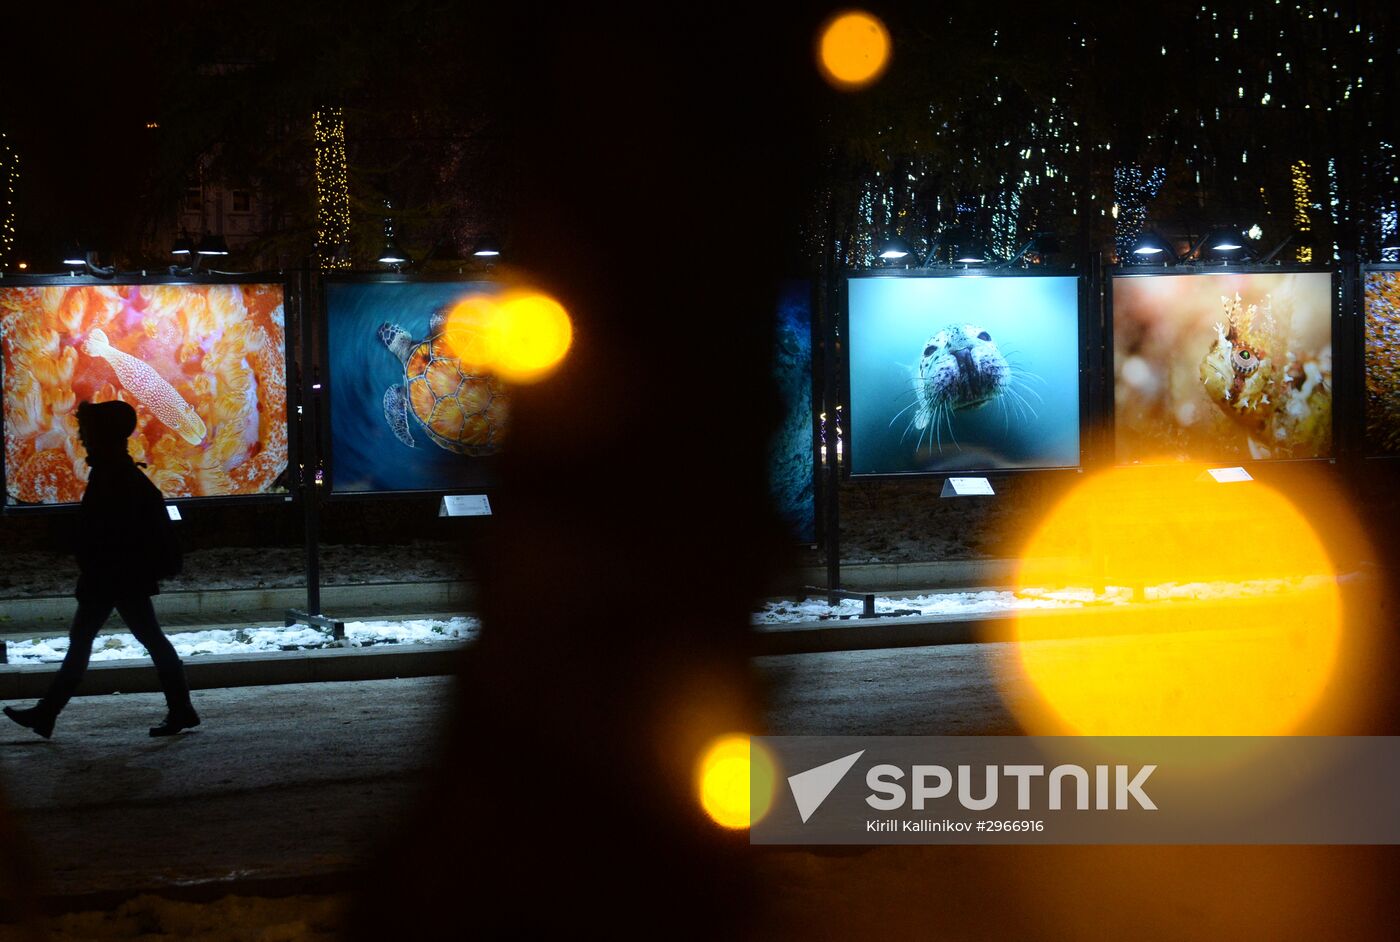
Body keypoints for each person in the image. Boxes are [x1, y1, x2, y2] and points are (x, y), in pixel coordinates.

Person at [3, 400, 199, 739]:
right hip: (121, 576)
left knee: (90, 641)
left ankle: (47, 713)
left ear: (101, 434)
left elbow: (105, 530)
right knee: (142, 639)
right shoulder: (121, 472)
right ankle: (180, 708)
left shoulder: (113, 476)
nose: (81, 437)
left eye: (86, 431)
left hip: (111, 577)